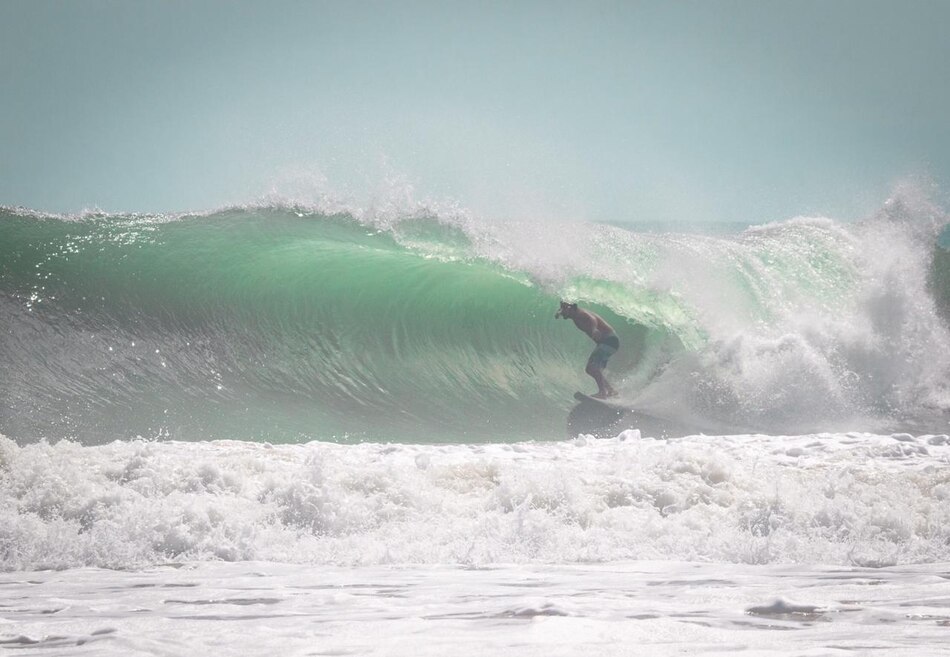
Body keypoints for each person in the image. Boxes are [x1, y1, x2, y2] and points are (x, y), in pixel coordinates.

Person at [555, 301, 619, 398]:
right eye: (561, 308)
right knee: (593, 369)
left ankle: (602, 393)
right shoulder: (574, 315)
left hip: (609, 341)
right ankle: (611, 390)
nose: (562, 311)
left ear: (571, 308)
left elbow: (592, 319)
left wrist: (594, 329)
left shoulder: (581, 313)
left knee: (592, 368)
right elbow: (563, 311)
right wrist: (558, 313)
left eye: (564, 308)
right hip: (609, 342)